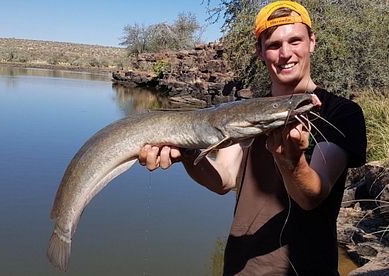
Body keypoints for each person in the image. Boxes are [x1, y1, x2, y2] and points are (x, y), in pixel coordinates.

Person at [139, 1, 367, 275]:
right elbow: (223, 179)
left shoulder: (341, 113)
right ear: (260, 52)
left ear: (312, 42)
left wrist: (290, 162)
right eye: (273, 45)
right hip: (241, 268)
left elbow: (313, 196)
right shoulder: (242, 113)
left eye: (295, 40)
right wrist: (189, 156)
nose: (285, 53)